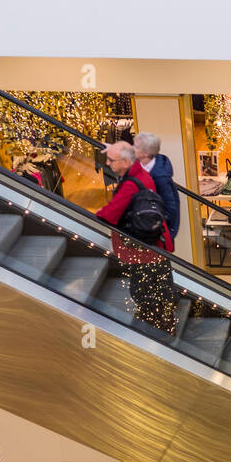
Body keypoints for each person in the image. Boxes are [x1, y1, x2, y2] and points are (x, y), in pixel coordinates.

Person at [97, 143, 178, 335]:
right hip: (155, 246)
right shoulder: (139, 173)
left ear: (126, 161)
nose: (107, 164)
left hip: (140, 250)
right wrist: (115, 148)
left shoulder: (130, 185)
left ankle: (157, 333)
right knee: (161, 288)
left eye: (111, 160)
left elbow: (108, 215)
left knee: (143, 293)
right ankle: (165, 324)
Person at [133, 132, 181, 242]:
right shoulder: (138, 166)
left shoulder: (160, 178)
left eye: (136, 146)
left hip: (152, 229)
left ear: (146, 153)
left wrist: (166, 232)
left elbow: (171, 207)